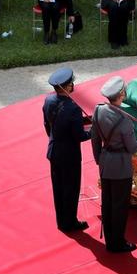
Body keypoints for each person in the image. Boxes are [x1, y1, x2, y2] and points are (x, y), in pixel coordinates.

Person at [91, 76, 137, 253]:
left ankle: (110, 239)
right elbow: (133, 147)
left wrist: (99, 159)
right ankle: (117, 243)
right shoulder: (124, 121)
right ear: (121, 94)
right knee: (119, 206)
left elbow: (95, 139)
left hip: (105, 163)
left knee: (108, 202)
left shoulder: (98, 111)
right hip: (120, 166)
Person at [42, 67, 91, 233]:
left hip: (54, 149)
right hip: (69, 155)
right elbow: (80, 136)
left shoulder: (48, 101)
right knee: (71, 189)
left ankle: (61, 221)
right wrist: (94, 131)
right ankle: (70, 222)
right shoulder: (73, 108)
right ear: (67, 86)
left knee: (58, 188)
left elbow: (47, 125)